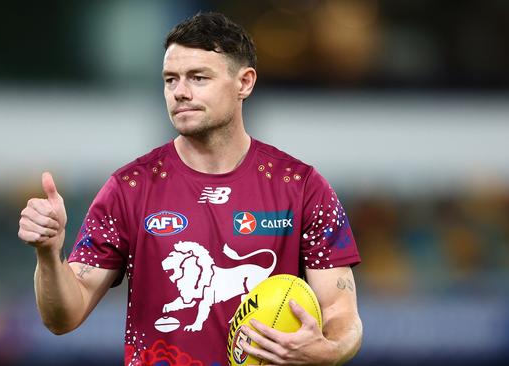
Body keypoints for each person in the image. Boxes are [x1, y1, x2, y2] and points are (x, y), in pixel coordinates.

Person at [18, 12, 362, 366]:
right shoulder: (129, 189)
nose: (180, 92)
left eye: (198, 78)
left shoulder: (302, 187)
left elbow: (341, 313)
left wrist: (329, 350)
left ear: (244, 83)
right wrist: (47, 252)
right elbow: (62, 317)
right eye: (170, 80)